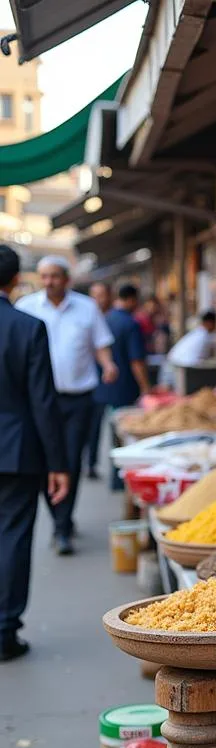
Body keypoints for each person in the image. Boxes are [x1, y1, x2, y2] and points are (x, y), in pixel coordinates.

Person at [15, 255, 118, 556]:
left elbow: (100, 345)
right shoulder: (26, 308)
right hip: (37, 401)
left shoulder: (86, 308)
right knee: (46, 460)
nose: (49, 282)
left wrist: (108, 365)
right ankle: (60, 517)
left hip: (77, 399)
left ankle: (62, 526)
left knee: (70, 460)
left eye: (55, 276)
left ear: (66, 279)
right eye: (44, 276)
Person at [0, 246, 70, 661]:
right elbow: (44, 401)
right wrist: (58, 463)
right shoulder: (28, 327)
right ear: (14, 281)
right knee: (12, 536)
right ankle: (4, 631)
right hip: (16, 450)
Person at [90, 283, 150, 489]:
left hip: (103, 386)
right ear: (132, 299)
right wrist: (145, 387)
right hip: (124, 387)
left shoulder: (105, 319)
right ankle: (119, 477)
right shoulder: (130, 324)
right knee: (123, 432)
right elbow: (136, 361)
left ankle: (99, 468)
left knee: (102, 429)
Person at [85, 281, 112, 479]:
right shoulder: (85, 316)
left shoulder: (110, 320)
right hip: (81, 385)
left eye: (101, 295)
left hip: (102, 384)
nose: (97, 300)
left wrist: (108, 365)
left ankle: (92, 463)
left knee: (96, 425)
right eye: (94, 295)